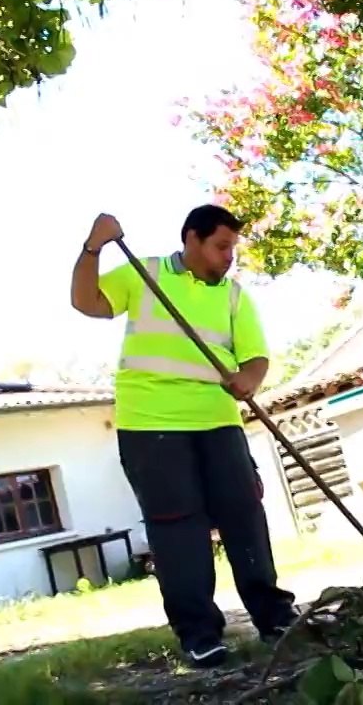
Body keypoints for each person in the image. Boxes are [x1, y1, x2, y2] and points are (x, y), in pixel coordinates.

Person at [69, 204, 298, 668]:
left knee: (244, 515)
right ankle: (199, 633)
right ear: (191, 239)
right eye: (220, 246)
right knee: (178, 528)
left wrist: (247, 382)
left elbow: (254, 359)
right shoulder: (144, 274)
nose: (228, 257)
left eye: (232, 248)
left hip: (217, 420)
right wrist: (94, 246)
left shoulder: (234, 297)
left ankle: (275, 617)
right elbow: (87, 301)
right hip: (151, 424)